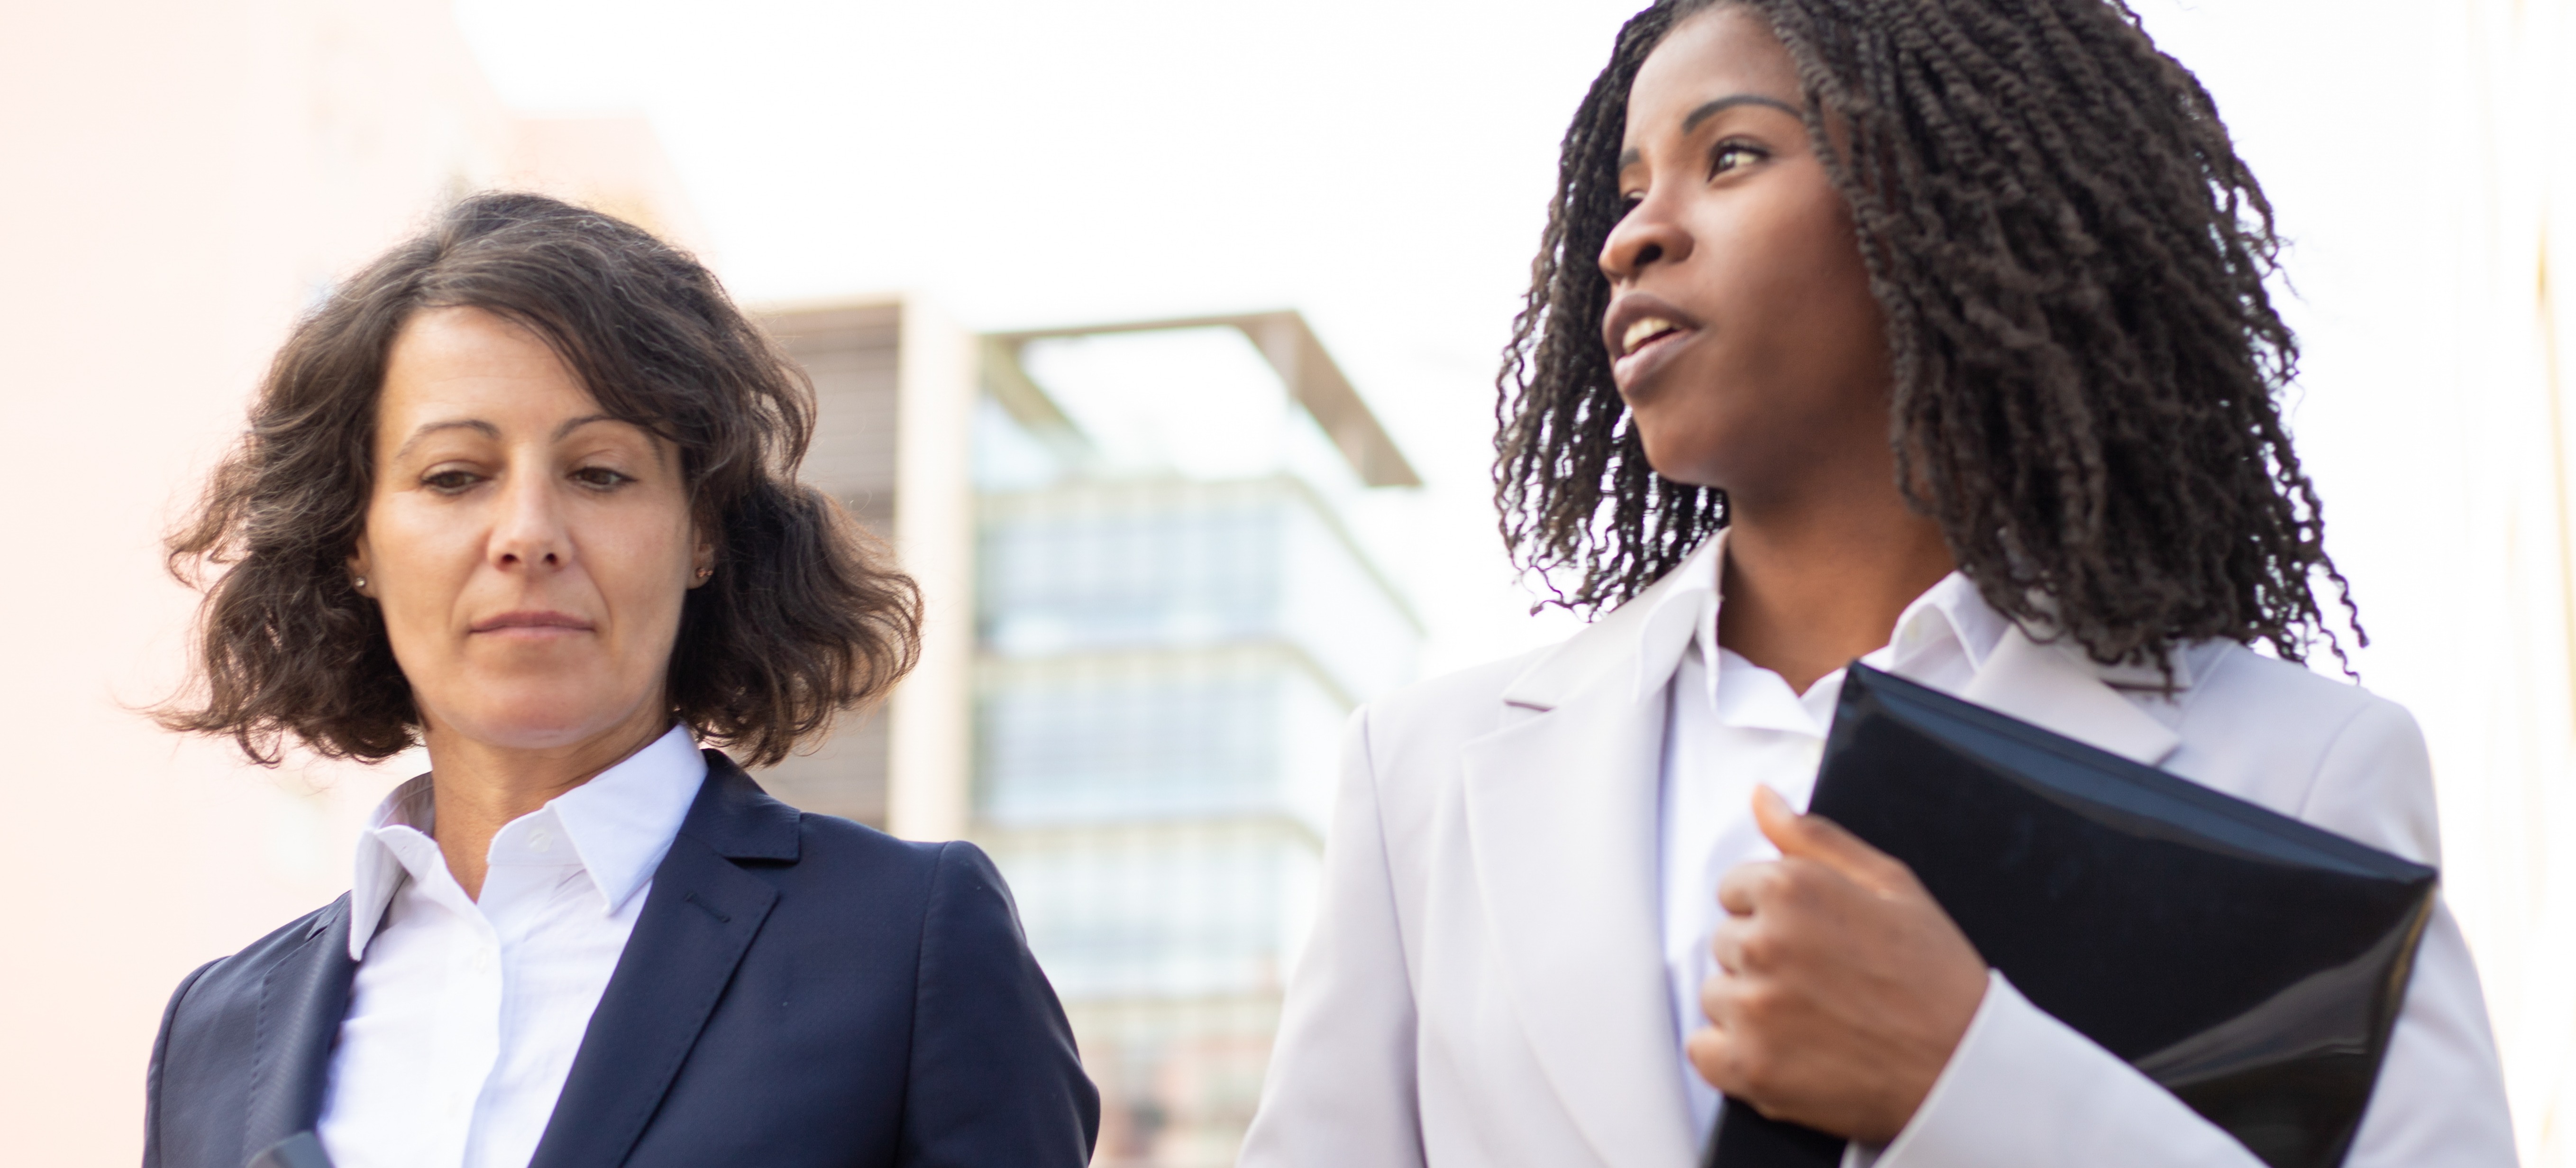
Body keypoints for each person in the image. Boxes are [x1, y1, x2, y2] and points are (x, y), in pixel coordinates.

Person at [1238, 1, 2515, 1166]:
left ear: (1950, 201)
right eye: (1626, 192)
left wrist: (1968, 1072)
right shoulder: (1422, 784)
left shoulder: (2300, 770)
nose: (1631, 237)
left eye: (1730, 155)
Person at [144, 192, 1099, 1168]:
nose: (525, 534)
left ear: (703, 533)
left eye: (600, 473)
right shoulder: (217, 1029)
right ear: (357, 541)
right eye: (452, 476)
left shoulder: (910, 942)